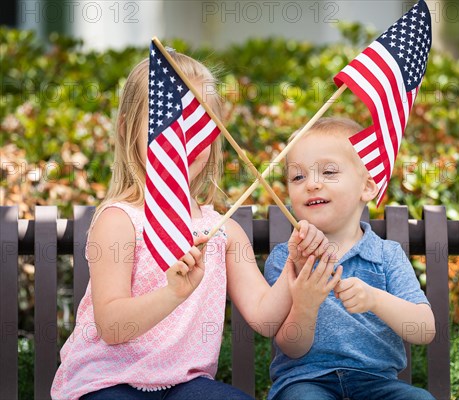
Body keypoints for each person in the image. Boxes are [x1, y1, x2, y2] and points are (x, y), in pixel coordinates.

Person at [51, 52, 330, 400]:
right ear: (127, 129)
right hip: (108, 381)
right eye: (169, 122)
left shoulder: (223, 230)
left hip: (187, 385)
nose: (184, 137)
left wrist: (296, 267)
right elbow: (111, 326)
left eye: (199, 123)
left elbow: (265, 317)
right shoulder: (120, 220)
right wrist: (173, 294)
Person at [264, 117, 437, 400]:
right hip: (307, 382)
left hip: (377, 384)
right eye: (298, 177)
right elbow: (291, 347)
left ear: (367, 188)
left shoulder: (386, 255)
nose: (311, 184)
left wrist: (375, 300)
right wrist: (305, 305)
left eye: (329, 172)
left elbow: (423, 329)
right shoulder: (287, 258)